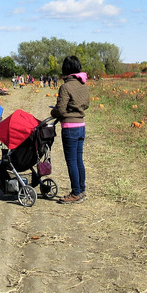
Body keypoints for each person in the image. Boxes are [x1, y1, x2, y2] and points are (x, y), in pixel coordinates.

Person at [50, 55, 90, 203]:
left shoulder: (65, 87)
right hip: (81, 126)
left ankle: (75, 193)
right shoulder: (83, 85)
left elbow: (60, 109)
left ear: (66, 69)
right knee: (79, 160)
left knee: (71, 161)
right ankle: (82, 189)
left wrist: (53, 112)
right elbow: (86, 104)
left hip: (69, 128)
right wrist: (75, 110)